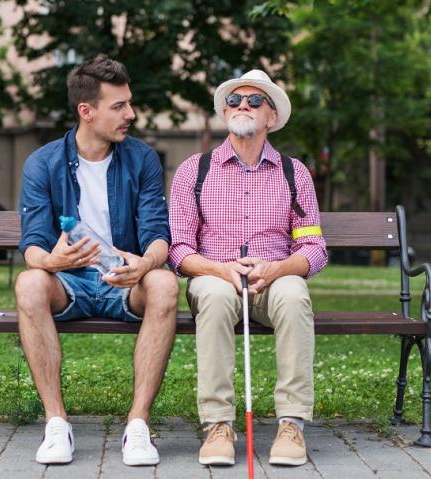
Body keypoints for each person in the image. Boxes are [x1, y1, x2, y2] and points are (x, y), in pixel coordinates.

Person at [15, 54, 177, 467]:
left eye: (129, 103)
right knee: (29, 282)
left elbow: (158, 235)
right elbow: (31, 244)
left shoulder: (141, 159)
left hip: (125, 280)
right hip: (69, 281)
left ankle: (138, 427)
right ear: (86, 111)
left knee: (164, 283)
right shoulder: (43, 163)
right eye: (119, 106)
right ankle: (56, 424)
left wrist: (143, 265)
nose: (131, 114)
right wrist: (52, 260)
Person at [168, 69, 327, 467]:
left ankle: (291, 424)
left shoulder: (295, 174)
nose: (243, 106)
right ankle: (218, 425)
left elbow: (313, 246)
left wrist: (276, 269)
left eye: (255, 100)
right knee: (218, 295)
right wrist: (220, 270)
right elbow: (179, 249)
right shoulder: (194, 170)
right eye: (235, 100)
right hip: (214, 279)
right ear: (224, 111)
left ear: (271, 116)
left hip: (272, 282)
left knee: (294, 292)